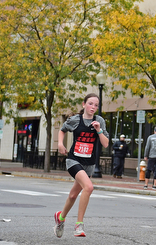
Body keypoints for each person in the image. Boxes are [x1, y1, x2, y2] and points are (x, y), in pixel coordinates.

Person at [53, 93, 109, 238]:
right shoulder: (76, 120)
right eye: (90, 104)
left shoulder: (99, 121)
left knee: (73, 195)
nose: (93, 107)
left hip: (89, 164)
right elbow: (63, 130)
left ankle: (61, 217)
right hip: (73, 161)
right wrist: (60, 144)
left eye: (96, 105)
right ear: (84, 104)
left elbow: (105, 143)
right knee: (89, 187)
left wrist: (99, 130)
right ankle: (79, 225)